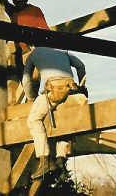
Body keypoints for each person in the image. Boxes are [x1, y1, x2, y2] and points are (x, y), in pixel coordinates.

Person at [23, 46, 88, 178]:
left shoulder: (34, 53)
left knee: (34, 119)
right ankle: (60, 158)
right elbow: (81, 66)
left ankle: (44, 159)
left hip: (54, 91)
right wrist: (82, 86)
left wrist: (31, 98)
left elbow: (26, 80)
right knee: (64, 121)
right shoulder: (61, 52)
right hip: (73, 91)